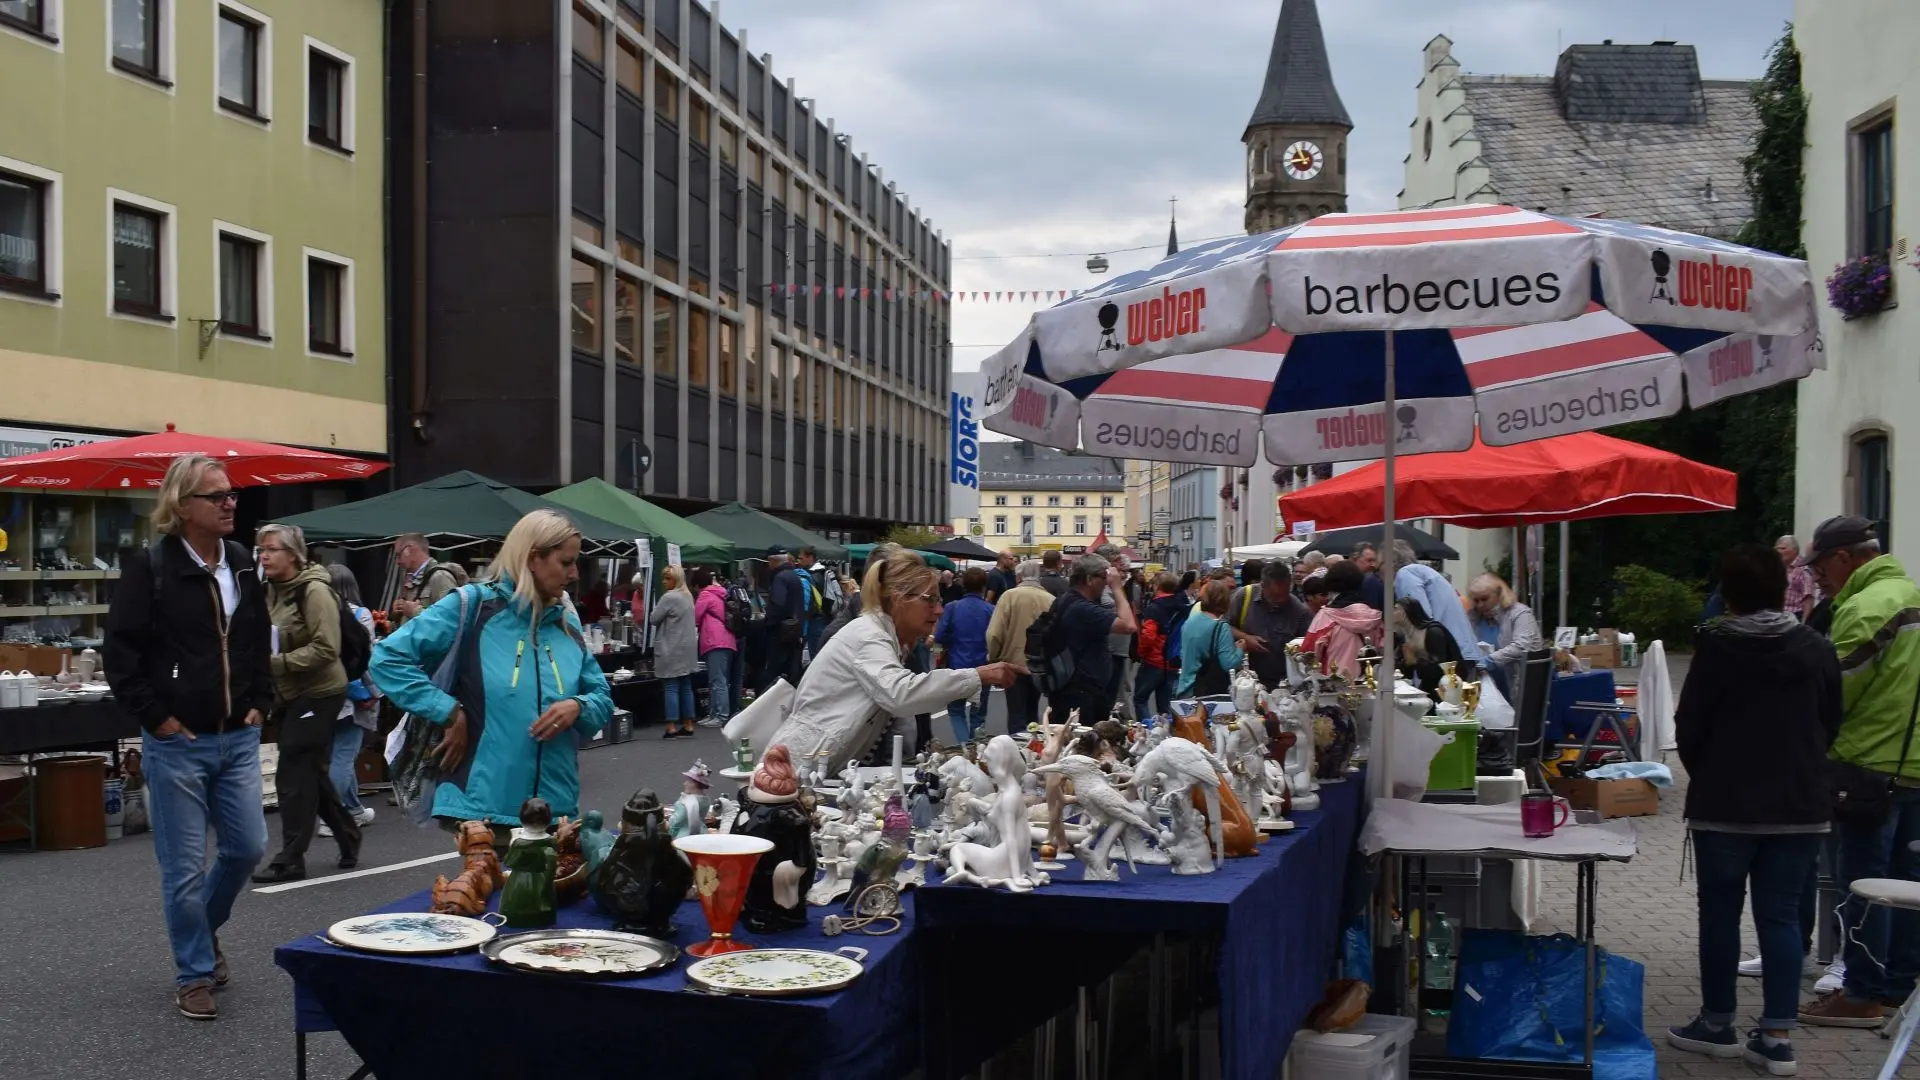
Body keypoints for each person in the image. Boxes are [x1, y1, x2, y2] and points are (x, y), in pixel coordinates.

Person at [105, 455, 272, 1021]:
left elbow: (256, 637)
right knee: (182, 869)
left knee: (247, 848)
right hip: (178, 741)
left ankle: (201, 931)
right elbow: (120, 655)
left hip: (238, 736)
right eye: (216, 496)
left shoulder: (243, 562)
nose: (230, 503)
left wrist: (261, 700)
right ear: (182, 506)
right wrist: (158, 719)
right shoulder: (151, 569)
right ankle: (194, 973)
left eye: (231, 494)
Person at [1666, 544, 1841, 1074]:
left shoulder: (1717, 647)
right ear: (1781, 588)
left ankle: (1717, 1022)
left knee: (1719, 914)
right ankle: (1777, 1036)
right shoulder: (1816, 648)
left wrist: (1709, 774)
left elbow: (1689, 726)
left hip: (1726, 802)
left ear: (1730, 593)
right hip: (1799, 803)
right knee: (1782, 916)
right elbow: (1831, 720)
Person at [369, 510, 614, 842]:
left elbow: (602, 699)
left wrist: (578, 707)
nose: (574, 574)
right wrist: (448, 711)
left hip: (557, 814)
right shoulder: (472, 607)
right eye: (566, 562)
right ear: (533, 559)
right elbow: (386, 658)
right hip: (485, 814)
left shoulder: (566, 624)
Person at [1797, 516, 1920, 1028]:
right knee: (1908, 887)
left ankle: (1863, 993)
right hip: (1914, 766)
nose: (1817, 578)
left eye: (1820, 567)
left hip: (1868, 769)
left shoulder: (1866, 607)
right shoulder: (1912, 594)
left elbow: (1833, 693)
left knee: (1865, 887)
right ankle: (1899, 989)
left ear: (1845, 557)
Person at [766, 549, 1023, 773]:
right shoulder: (869, 635)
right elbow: (900, 693)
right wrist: (978, 675)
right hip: (796, 771)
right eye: (931, 600)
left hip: (814, 767)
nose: (939, 610)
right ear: (900, 599)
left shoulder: (883, 634)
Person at [250, 524, 361, 884]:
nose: (264, 556)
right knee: (310, 770)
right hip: (288, 694)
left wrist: (275, 664)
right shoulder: (267, 590)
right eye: (261, 550)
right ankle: (348, 834)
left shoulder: (314, 591)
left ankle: (290, 858)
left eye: (272, 549)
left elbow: (327, 648)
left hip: (321, 691)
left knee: (293, 769)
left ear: (294, 555)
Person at [317, 563, 378, 839]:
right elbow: (364, 658)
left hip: (322, 694)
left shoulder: (316, 611)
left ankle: (354, 809)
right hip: (352, 695)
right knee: (343, 756)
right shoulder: (360, 615)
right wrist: (369, 693)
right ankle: (330, 817)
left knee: (337, 755)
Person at [1043, 554, 1136, 727]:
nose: (1107, 583)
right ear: (1089, 579)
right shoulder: (1082, 609)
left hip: (1072, 689)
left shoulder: (1066, 600)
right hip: (1081, 693)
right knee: (1082, 740)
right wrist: (1117, 588)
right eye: (1104, 577)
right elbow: (1129, 626)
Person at [1392, 540, 1486, 679]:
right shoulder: (1423, 572)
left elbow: (1419, 619)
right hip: (1462, 652)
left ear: (1391, 562)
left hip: (1449, 659)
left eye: (1379, 564)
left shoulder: (1405, 575)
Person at [986, 560, 1054, 734]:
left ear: (1018, 577)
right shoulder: (1050, 599)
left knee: (1016, 715)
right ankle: (1034, 745)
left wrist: (994, 659)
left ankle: (1018, 747)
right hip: (1040, 665)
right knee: (1033, 711)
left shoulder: (1009, 596)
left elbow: (994, 633)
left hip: (1013, 663)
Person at [1226, 560, 1315, 688]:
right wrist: (1245, 638)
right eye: (1275, 596)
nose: (1281, 600)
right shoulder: (1244, 597)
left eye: (1285, 594)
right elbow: (1225, 627)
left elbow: (1306, 649)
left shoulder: (1299, 611)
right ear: (1262, 585)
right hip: (1246, 682)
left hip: (1282, 684)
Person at [934, 568, 994, 744]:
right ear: (984, 587)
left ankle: (965, 745)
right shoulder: (991, 610)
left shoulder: (952, 608)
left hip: (957, 666)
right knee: (978, 713)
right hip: (983, 668)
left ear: (963, 584)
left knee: (955, 710)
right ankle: (975, 746)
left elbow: (940, 636)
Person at [1467, 572, 1543, 702]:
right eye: (1476, 600)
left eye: (1484, 599)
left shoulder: (1520, 613)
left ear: (1499, 594)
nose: (1480, 605)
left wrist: (1489, 661)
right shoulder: (1473, 617)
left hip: (1518, 683)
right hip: (1485, 685)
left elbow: (1522, 645)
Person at [1301, 561, 1383, 680]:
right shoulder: (1374, 617)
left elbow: (1308, 653)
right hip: (1368, 683)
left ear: (1330, 584)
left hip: (1335, 684)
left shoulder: (1325, 616)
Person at [1095, 543, 1142, 723]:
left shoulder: (1115, 586)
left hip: (1119, 648)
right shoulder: (1105, 589)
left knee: (1115, 692)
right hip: (1110, 648)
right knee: (1107, 695)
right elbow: (1127, 620)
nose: (1119, 565)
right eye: (1115, 561)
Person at [651, 566, 698, 738]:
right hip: (687, 647)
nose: (664, 582)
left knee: (670, 686)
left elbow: (654, 619)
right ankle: (688, 724)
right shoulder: (688, 596)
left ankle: (671, 726)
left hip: (670, 646)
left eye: (668, 578)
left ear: (676, 580)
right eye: (664, 578)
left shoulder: (668, 597)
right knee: (686, 685)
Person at [1134, 572, 1188, 719]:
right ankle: (1167, 730)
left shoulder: (1155, 607)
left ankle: (1146, 729)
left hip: (1154, 660)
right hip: (1173, 661)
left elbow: (1148, 636)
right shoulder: (1183, 607)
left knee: (1140, 698)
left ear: (1157, 586)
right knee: (1165, 706)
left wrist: (1141, 653)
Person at [1177, 579, 1244, 697]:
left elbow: (1183, 654)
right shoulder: (1221, 627)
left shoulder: (1189, 622)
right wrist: (1240, 649)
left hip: (1184, 688)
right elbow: (1229, 664)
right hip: (1205, 693)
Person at [691, 567, 739, 730]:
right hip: (727, 640)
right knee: (717, 679)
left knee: (718, 680)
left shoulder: (705, 595)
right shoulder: (721, 593)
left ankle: (721, 715)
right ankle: (713, 714)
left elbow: (695, 617)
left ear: (697, 585)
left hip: (714, 640)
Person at [1394, 596, 1463, 699]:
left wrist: (1415, 661)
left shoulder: (1433, 632)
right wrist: (1407, 663)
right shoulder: (1405, 637)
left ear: (1406, 612)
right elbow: (1405, 672)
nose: (1391, 613)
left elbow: (1439, 668)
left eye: (1395, 609)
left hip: (1448, 685)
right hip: (1427, 684)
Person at [390, 533, 461, 627]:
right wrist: (398, 615)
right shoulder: (412, 579)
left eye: (398, 555)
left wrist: (415, 611)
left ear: (410, 549)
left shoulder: (440, 577)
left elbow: (451, 621)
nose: (397, 561)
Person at [762, 547, 806, 691]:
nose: (768, 565)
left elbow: (778, 603)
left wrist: (769, 622)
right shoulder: (794, 576)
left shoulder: (779, 578)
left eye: (769, 562)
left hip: (780, 631)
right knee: (791, 671)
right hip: (795, 629)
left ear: (773, 560)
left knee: (775, 671)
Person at [1778, 534, 1818, 622]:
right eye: (1777, 548)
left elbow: (1808, 597)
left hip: (1795, 617)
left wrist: (1805, 622)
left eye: (1783, 548)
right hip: (1780, 616)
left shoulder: (1803, 568)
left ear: (1794, 550)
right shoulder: (1780, 568)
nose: (1779, 551)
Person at [1354, 542, 1386, 610]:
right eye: (1369, 560)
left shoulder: (1376, 582)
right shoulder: (1345, 581)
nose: (1373, 565)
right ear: (1355, 559)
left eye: (1375, 561)